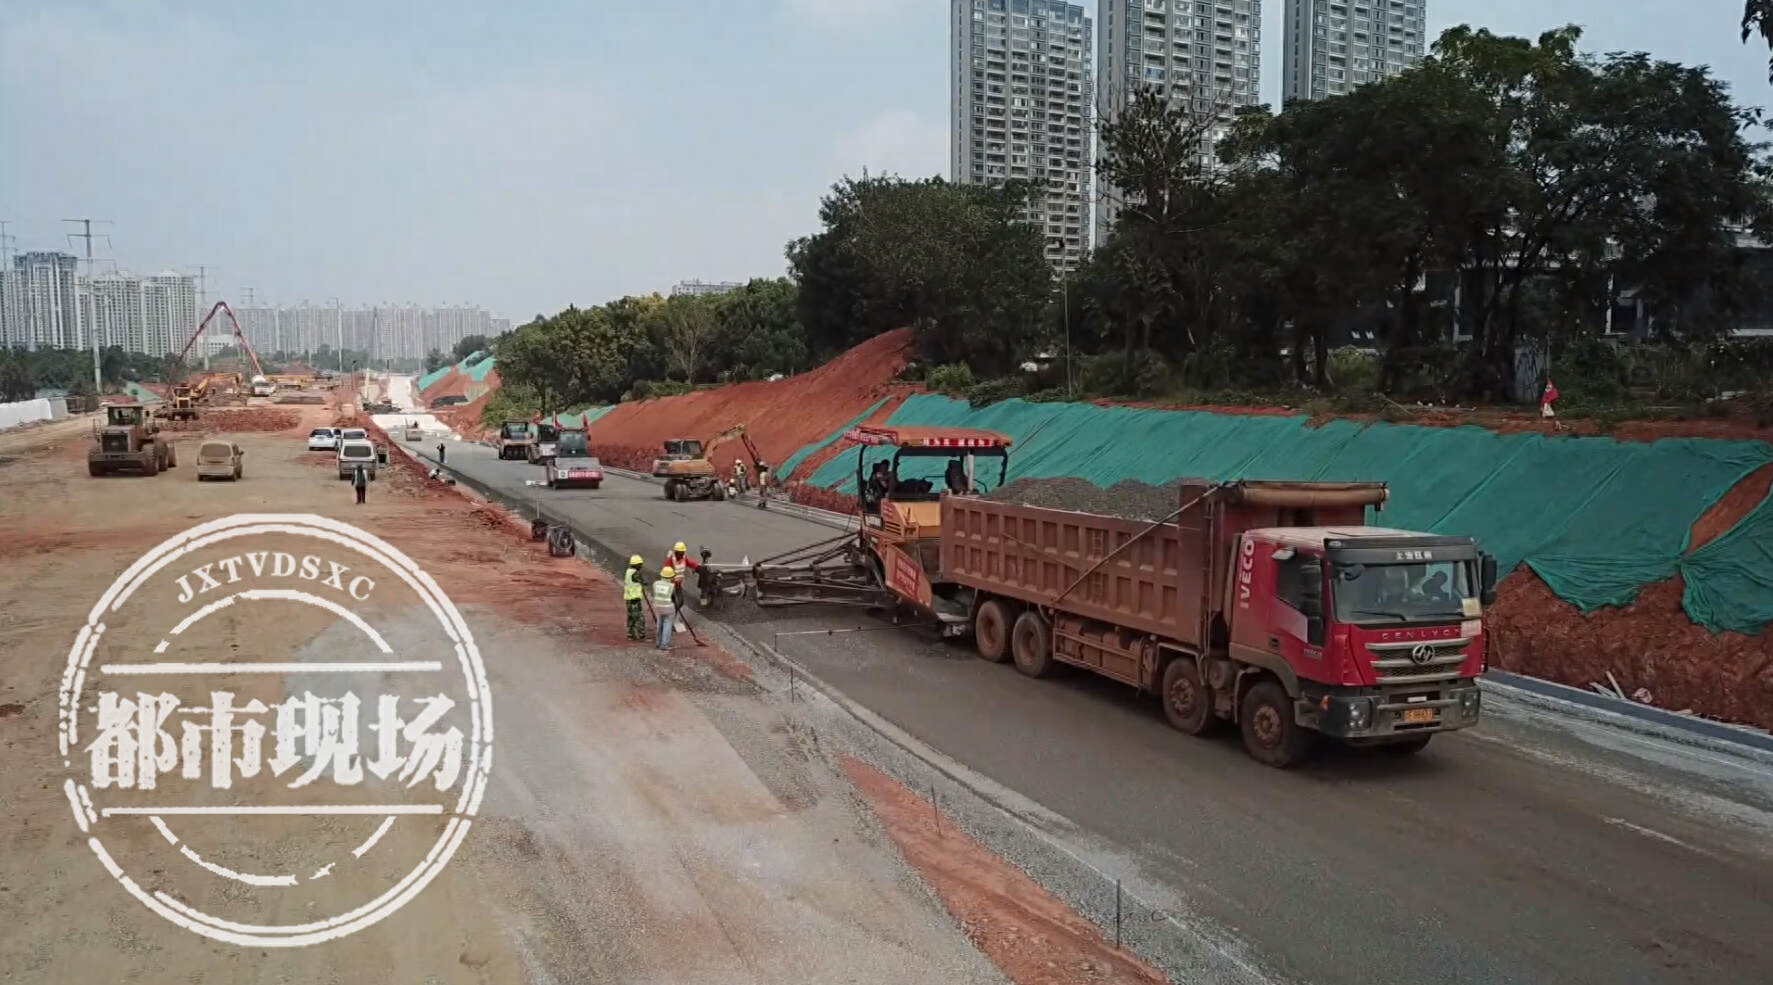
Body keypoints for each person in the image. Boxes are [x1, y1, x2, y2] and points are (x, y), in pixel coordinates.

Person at [652, 565, 678, 649]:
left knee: (659, 624)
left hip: (658, 607)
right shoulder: (671, 586)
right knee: (667, 624)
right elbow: (673, 597)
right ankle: (664, 644)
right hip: (668, 608)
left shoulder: (656, 583)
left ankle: (658, 642)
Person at [622, 554, 646, 641]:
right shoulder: (635, 574)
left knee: (631, 617)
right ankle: (641, 634)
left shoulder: (628, 571)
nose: (641, 566)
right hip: (635, 599)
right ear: (636, 565)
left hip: (628, 598)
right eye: (640, 565)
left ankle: (630, 634)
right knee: (639, 617)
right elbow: (644, 582)